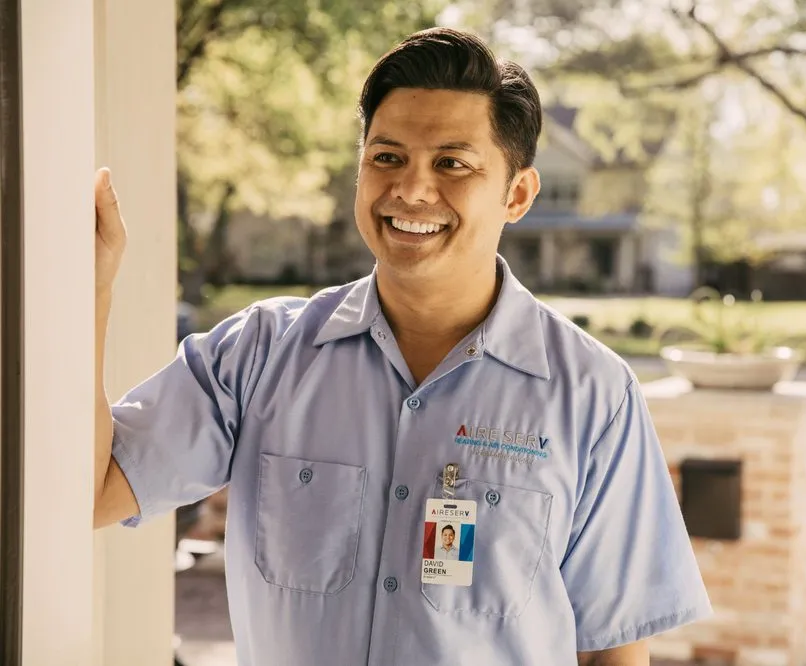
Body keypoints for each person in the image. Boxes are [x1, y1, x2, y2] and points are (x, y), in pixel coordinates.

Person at [93, 27, 711, 666]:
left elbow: (613, 650)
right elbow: (95, 488)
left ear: (518, 194)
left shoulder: (594, 396)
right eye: (387, 157)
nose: (411, 191)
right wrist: (92, 291)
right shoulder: (256, 356)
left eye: (452, 163)